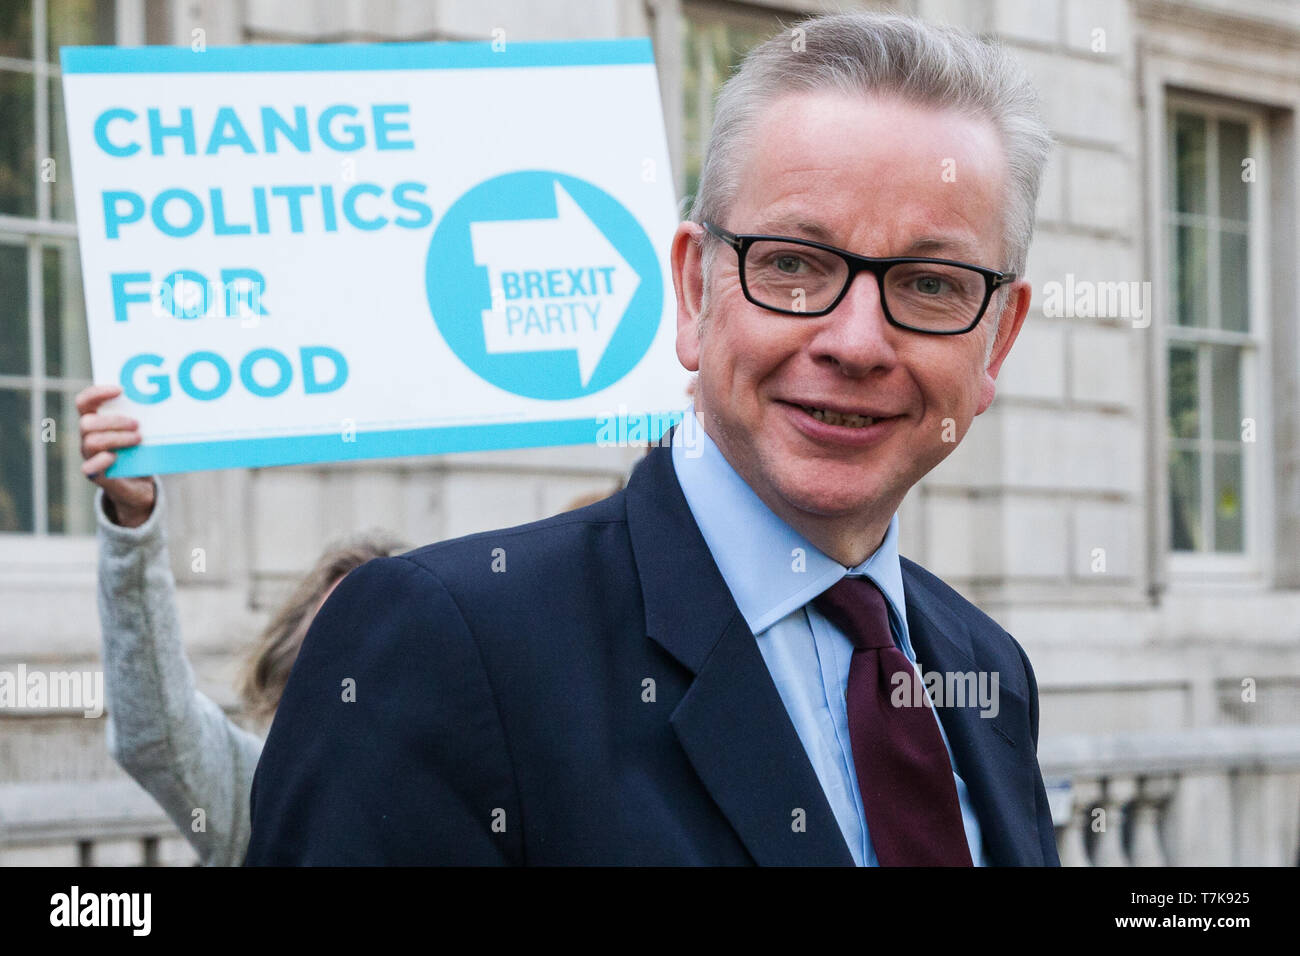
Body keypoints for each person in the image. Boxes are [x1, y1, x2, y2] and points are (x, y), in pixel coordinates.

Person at [245, 11, 1060, 866]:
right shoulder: (441, 646)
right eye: (791, 263)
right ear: (694, 290)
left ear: (998, 338)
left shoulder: (988, 669)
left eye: (930, 283)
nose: (855, 342)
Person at [78, 383, 405, 865]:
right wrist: (135, 519)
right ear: (290, 674)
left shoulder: (479, 803)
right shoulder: (261, 795)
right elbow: (157, 731)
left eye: (384, 638)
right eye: (333, 640)